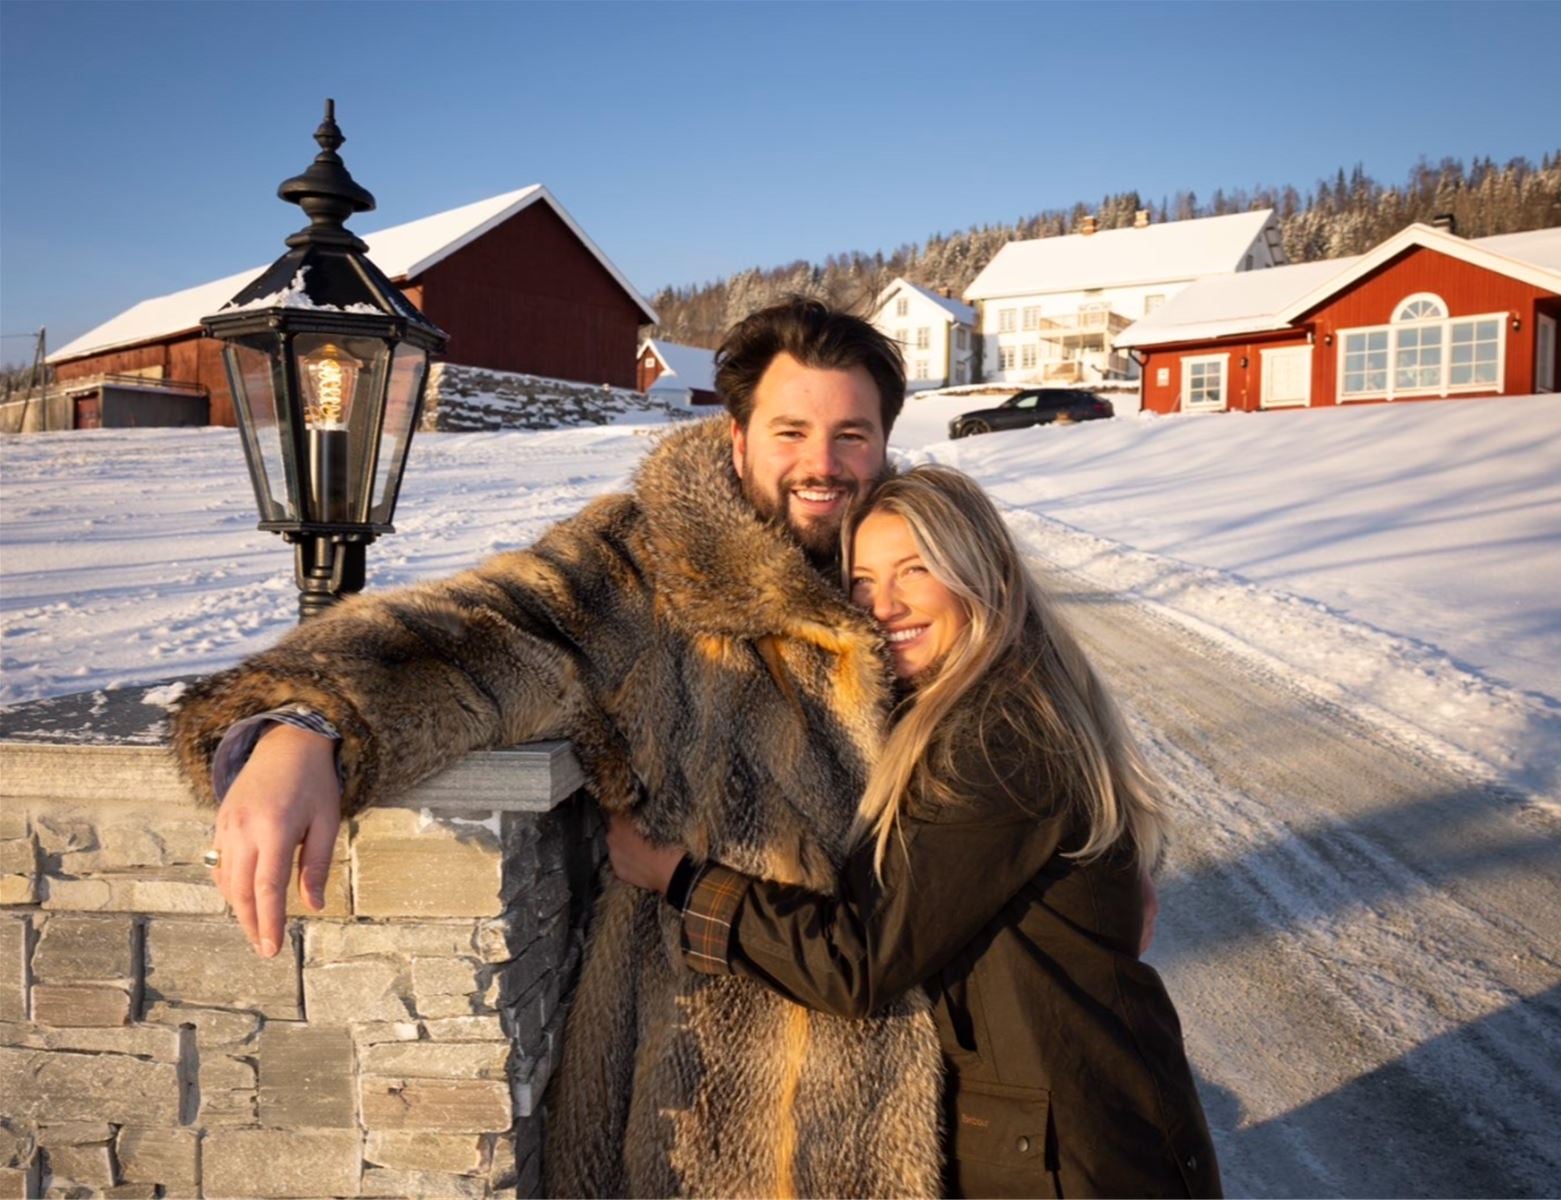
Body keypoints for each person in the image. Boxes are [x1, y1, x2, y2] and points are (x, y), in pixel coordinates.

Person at [169, 299, 947, 1197]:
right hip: (718, 1095)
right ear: (738, 439)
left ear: (884, 442)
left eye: (851, 435)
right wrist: (309, 720)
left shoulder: (925, 557)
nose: (823, 464)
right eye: (792, 432)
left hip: (934, 1071)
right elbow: (483, 630)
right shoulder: (650, 566)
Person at [607, 464, 1223, 1199]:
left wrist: (679, 877)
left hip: (1071, 1161)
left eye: (914, 569)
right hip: (1077, 1125)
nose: (884, 604)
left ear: (979, 572)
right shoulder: (985, 693)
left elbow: (861, 961)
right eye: (862, 581)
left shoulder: (998, 736)